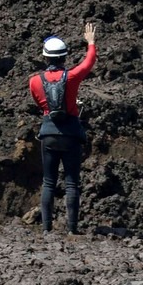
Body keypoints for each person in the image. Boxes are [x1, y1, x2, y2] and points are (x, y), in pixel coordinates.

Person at [29, 22, 97, 236]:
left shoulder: (34, 81)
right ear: (64, 57)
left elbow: (40, 105)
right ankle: (72, 228)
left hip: (48, 133)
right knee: (71, 183)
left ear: (45, 57)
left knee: (48, 181)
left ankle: (47, 228)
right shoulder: (73, 77)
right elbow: (89, 62)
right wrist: (91, 42)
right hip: (71, 134)